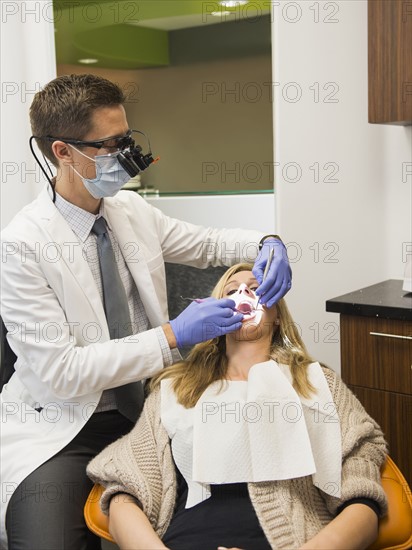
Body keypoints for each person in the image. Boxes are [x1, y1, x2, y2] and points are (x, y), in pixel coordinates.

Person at [0, 74, 291, 549]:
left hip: (153, 414)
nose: (127, 155)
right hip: (66, 430)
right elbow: (62, 373)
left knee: (218, 517)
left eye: (127, 137)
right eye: (110, 144)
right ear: (62, 152)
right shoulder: (21, 247)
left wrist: (268, 241)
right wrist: (172, 336)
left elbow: (210, 244)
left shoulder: (132, 212)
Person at [88, 263, 388, 550]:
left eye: (256, 289)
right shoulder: (177, 388)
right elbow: (124, 492)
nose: (243, 294)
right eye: (231, 292)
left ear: (279, 315)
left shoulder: (318, 383)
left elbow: (362, 500)